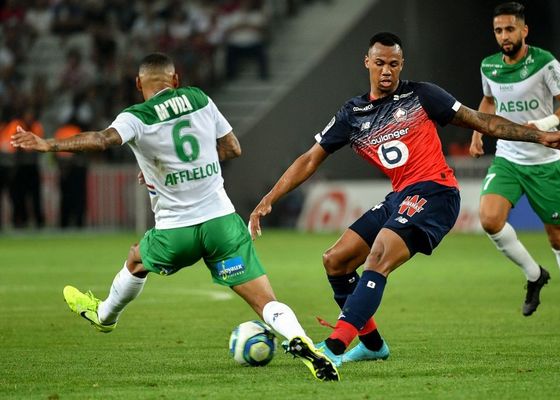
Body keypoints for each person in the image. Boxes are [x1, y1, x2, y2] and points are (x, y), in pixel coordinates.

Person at [248, 32, 560, 366]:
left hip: (436, 193)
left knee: (378, 257)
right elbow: (310, 158)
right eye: (380, 63)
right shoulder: (353, 113)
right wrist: (270, 197)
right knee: (336, 260)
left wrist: (540, 136)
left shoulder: (422, 95)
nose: (386, 70)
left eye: (393, 63)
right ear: (367, 63)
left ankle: (332, 348)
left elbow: (482, 120)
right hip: (400, 196)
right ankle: (373, 345)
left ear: (401, 64)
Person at [11, 53, 339, 382]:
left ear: (139, 84)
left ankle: (105, 315)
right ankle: (301, 340)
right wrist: (181, 168)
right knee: (265, 301)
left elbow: (100, 140)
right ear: (176, 80)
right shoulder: (199, 99)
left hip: (176, 232)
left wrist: (47, 144)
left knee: (136, 259)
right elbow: (232, 148)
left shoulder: (135, 116)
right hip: (222, 224)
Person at [469, 2, 560, 336]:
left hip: (545, 164)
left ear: (524, 30)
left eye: (510, 29)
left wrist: (545, 124)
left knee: (559, 239)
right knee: (489, 219)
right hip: (508, 157)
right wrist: (478, 132)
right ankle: (534, 274)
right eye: (498, 30)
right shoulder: (489, 66)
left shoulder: (544, 62)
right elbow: (489, 103)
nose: (504, 36)